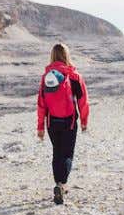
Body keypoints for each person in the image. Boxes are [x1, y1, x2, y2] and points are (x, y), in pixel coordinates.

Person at [36, 43, 89, 205]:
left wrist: (40, 127)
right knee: (67, 154)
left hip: (52, 122)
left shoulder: (46, 77)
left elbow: (41, 103)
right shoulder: (74, 76)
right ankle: (62, 184)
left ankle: (57, 183)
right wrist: (85, 121)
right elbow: (83, 101)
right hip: (69, 121)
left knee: (57, 152)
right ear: (67, 55)